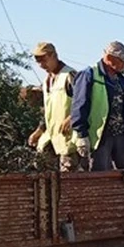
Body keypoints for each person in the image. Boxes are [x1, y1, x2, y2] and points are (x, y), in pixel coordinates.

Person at [70, 41, 124, 171]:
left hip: (122, 136)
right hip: (100, 137)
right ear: (109, 58)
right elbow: (79, 106)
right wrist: (81, 135)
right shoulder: (89, 75)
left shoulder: (123, 82)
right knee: (100, 172)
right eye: (122, 62)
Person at [27, 42, 79, 172]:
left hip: (68, 139)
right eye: (38, 62)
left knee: (68, 179)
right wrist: (39, 130)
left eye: (44, 60)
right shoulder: (46, 81)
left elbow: (84, 101)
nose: (41, 65)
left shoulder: (70, 75)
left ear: (53, 55)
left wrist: (72, 117)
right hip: (51, 137)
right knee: (44, 174)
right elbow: (48, 109)